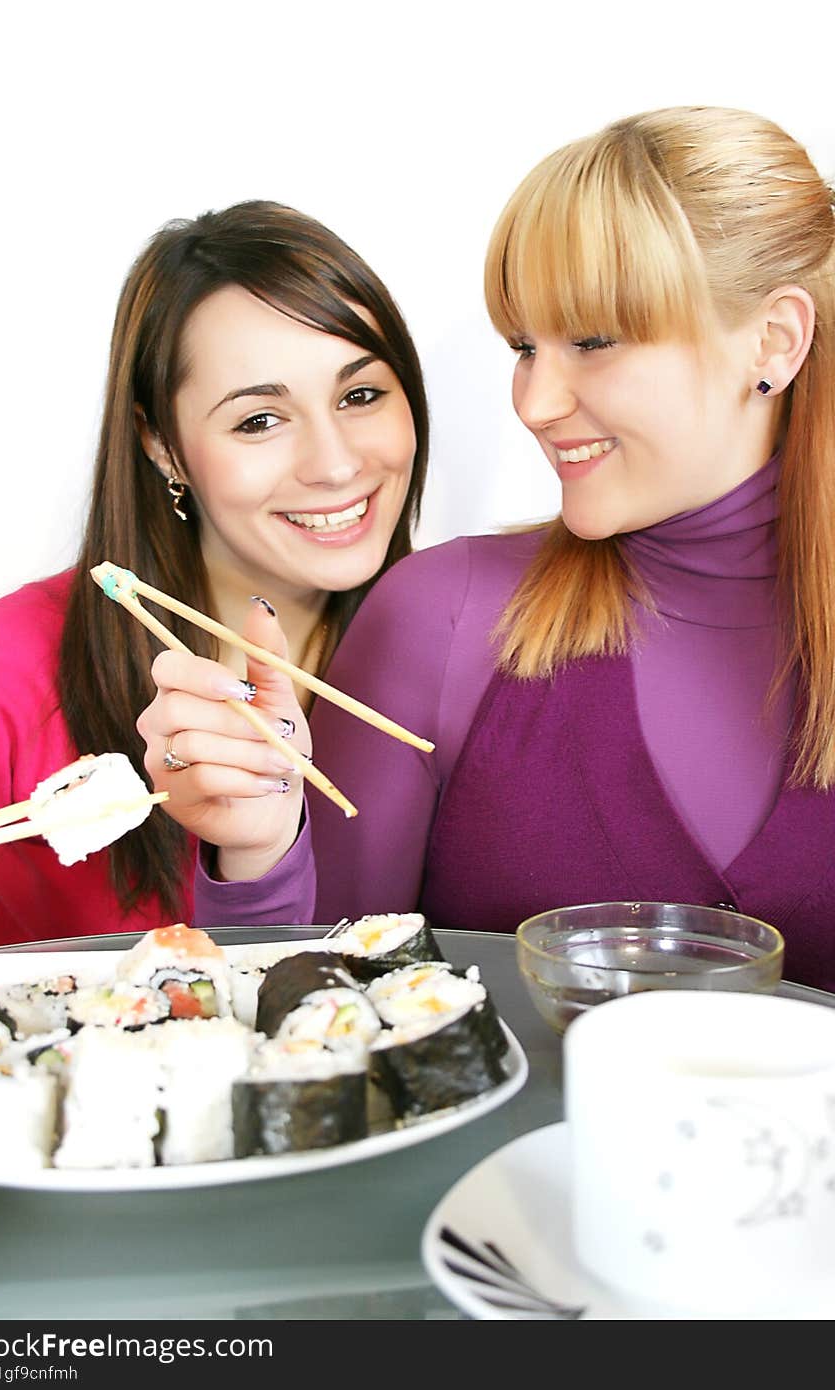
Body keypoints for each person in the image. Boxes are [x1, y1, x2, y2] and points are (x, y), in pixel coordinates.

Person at [141, 107, 835, 993]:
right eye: (524, 347)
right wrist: (258, 852)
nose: (536, 402)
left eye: (593, 341)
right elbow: (308, 1010)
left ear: (773, 342)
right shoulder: (443, 615)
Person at [0, 201, 428, 948]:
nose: (337, 464)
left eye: (360, 395)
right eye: (259, 421)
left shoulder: (457, 647)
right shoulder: (6, 667)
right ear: (160, 444)